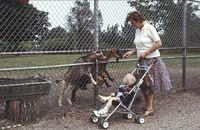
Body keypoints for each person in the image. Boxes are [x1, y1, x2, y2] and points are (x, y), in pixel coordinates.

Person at [123, 11, 172, 117]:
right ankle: (147, 106)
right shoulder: (137, 30)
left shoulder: (149, 28)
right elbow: (139, 45)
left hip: (152, 60)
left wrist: (146, 52)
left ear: (138, 20)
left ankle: (149, 108)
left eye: (133, 23)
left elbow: (158, 43)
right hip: (142, 61)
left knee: (149, 85)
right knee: (143, 84)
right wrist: (131, 52)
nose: (132, 25)